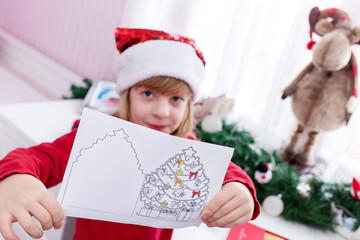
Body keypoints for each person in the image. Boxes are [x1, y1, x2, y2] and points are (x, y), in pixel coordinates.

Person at [0, 27, 260, 240]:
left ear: (190, 105)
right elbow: (38, 157)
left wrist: (241, 189)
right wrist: (13, 177)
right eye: (148, 94)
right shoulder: (96, 138)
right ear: (127, 95)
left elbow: (228, 172)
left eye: (176, 99)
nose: (161, 111)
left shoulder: (186, 148)